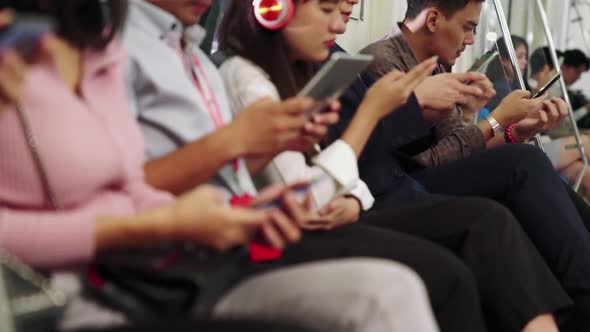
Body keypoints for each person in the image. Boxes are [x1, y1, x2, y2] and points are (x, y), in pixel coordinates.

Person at [0, 2, 440, 332]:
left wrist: (241, 215)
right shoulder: (113, 51)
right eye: (328, 9)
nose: (338, 24)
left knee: (395, 287)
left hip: (174, 266)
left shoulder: (100, 53)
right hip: (87, 294)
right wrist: (170, 221)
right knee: (399, 288)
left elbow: (129, 186)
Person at [216, 0, 574, 331]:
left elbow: (347, 159)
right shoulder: (371, 62)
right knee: (497, 206)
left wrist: (501, 127)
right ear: (271, 9)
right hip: (368, 195)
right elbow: (347, 165)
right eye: (329, 8)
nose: (340, 24)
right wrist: (489, 123)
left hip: (370, 189)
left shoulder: (314, 65)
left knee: (526, 171)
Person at [329, 0, 590, 330]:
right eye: (468, 27)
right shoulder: (382, 62)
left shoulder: (432, 65)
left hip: (408, 179)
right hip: (403, 183)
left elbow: (460, 143)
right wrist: (496, 121)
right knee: (522, 167)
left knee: (528, 161)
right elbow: (416, 161)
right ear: (434, 19)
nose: (470, 40)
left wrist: (514, 130)